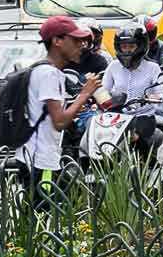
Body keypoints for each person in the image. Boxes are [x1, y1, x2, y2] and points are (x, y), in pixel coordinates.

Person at [23, 15, 103, 208]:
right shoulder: (48, 74)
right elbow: (59, 122)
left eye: (83, 40)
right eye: (75, 40)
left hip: (42, 158)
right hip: (41, 161)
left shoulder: (51, 72)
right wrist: (84, 94)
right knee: (44, 217)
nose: (82, 45)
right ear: (57, 41)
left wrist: (77, 105)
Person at [101, 20, 163, 161]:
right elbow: (104, 90)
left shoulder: (153, 68)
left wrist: (155, 98)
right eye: (123, 46)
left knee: (138, 140)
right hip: (117, 118)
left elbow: (162, 95)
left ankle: (145, 171)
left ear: (141, 46)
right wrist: (101, 100)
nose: (126, 50)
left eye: (131, 46)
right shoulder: (113, 67)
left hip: (143, 118)